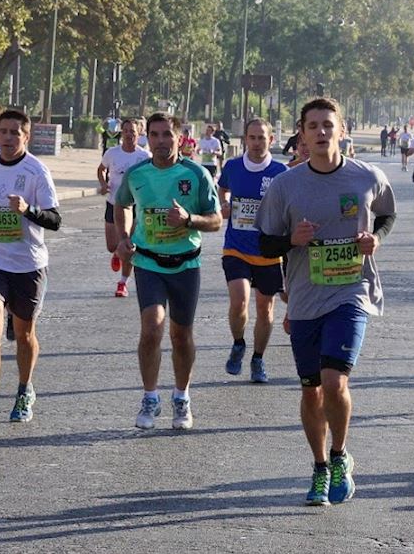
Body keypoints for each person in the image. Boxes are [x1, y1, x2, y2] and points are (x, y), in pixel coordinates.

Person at [256, 97, 396, 505]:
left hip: (351, 291)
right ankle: (318, 466)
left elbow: (386, 214)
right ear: (301, 133)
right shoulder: (286, 185)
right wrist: (290, 241)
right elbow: (265, 243)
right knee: (311, 389)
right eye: (312, 126)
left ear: (342, 129)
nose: (320, 132)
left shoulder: (366, 177)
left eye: (327, 125)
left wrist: (376, 239)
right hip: (303, 298)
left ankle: (339, 456)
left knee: (335, 382)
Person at [114, 112, 222, 431]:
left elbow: (215, 220)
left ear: (180, 138)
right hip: (148, 262)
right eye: (155, 135)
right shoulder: (137, 174)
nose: (161, 141)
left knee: (181, 335)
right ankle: (150, 396)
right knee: (151, 328)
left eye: (167, 135)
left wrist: (190, 219)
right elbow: (122, 205)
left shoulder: (196, 174)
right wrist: (123, 238)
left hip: (186, 264)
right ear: (148, 138)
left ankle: (181, 395)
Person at [0, 109, 61, 424]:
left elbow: (55, 220)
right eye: (3, 131)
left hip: (28, 263)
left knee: (23, 334)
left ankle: (24, 389)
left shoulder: (37, 171)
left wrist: (28, 209)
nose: (8, 138)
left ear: (26, 136)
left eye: (14, 133)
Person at [218, 118, 289, 383]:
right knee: (239, 301)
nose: (257, 143)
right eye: (252, 137)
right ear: (245, 140)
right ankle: (238, 343)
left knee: (265, 309)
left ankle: (258, 359)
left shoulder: (281, 171)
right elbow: (223, 187)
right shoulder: (233, 167)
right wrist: (224, 202)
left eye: (262, 138)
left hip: (268, 250)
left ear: (271, 140)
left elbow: (289, 205)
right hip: (236, 246)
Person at [98, 117, 150, 298]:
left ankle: (122, 283)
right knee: (112, 245)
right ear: (122, 132)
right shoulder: (112, 153)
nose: (129, 134)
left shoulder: (144, 156)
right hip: (113, 203)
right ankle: (117, 253)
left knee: (129, 246)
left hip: (134, 206)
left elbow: (151, 177)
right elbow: (101, 169)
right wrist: (104, 184)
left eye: (133, 132)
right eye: (126, 131)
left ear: (138, 134)